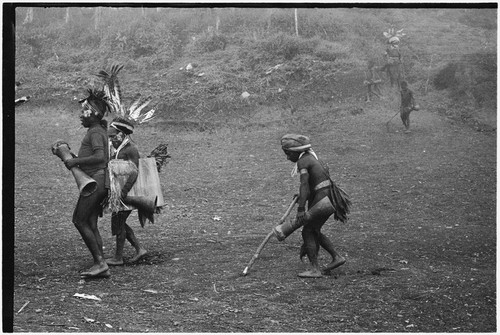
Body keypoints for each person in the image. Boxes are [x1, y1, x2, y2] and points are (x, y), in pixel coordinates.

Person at [281, 134, 350, 278]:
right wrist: (302, 197)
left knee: (308, 231)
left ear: (295, 151)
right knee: (314, 230)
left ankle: (315, 269)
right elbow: (316, 183)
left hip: (323, 198)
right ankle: (336, 257)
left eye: (288, 153)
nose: (287, 157)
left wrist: (301, 209)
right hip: (328, 196)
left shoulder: (303, 162)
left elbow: (305, 185)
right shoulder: (312, 158)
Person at [64, 89, 110, 278]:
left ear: (95, 115)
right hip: (97, 180)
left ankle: (100, 263)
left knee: (79, 220)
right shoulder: (96, 131)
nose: (81, 116)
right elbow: (94, 156)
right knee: (90, 221)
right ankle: (100, 261)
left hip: (95, 182)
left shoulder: (96, 132)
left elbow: (100, 157)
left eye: (84, 112)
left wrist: (75, 162)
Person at [106, 117, 148, 266]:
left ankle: (118, 257)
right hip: (119, 192)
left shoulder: (130, 149)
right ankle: (139, 249)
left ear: (122, 134)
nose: (111, 140)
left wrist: (124, 192)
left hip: (126, 193)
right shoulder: (119, 149)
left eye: (113, 136)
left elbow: (134, 172)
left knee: (118, 222)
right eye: (110, 137)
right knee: (120, 222)